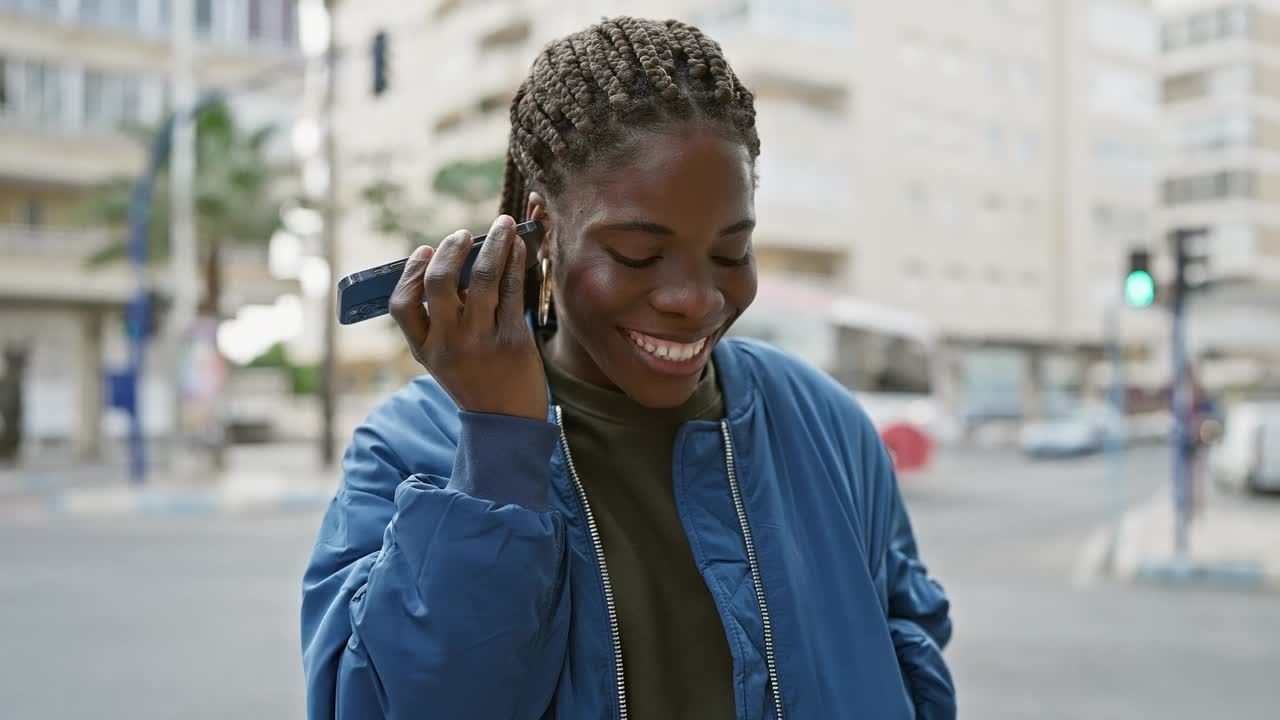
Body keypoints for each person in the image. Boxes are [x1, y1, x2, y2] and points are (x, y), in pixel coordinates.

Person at [302, 17, 953, 720]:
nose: (696, 298)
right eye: (638, 255)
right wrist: (498, 445)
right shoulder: (410, 451)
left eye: (732, 253)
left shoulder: (825, 422)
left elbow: (908, 655)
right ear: (538, 232)